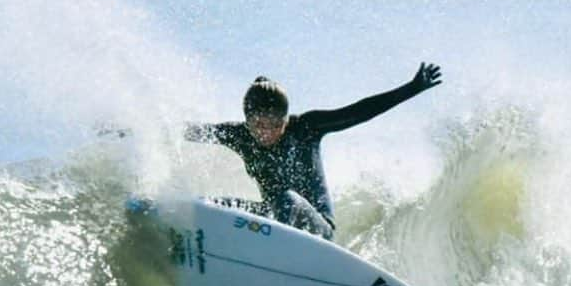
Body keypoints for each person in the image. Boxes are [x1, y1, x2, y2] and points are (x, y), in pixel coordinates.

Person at [184, 63, 442, 240]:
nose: (267, 132)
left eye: (276, 124)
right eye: (258, 125)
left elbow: (359, 111)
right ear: (247, 120)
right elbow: (188, 131)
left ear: (286, 119)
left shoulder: (306, 128)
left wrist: (411, 88)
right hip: (273, 225)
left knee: (287, 199)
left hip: (317, 231)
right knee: (211, 205)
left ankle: (274, 251)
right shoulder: (239, 136)